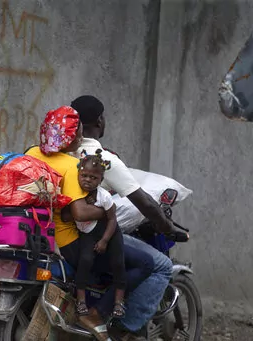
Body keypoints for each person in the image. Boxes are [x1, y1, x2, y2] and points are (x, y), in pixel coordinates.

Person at [26, 106, 155, 341]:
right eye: (78, 134)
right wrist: (108, 212)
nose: (80, 139)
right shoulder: (70, 166)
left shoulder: (31, 153)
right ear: (71, 138)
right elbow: (80, 213)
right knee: (146, 263)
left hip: (42, 234)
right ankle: (96, 313)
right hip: (72, 244)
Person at [71, 95, 186, 340]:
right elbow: (144, 202)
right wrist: (166, 227)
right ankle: (123, 329)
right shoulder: (103, 159)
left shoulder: (62, 150)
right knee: (160, 266)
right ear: (100, 121)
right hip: (88, 231)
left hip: (60, 229)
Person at [69, 150, 126, 319]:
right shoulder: (75, 192)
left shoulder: (104, 197)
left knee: (118, 263)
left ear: (101, 180)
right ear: (78, 174)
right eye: (84, 175)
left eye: (93, 178)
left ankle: (118, 303)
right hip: (88, 233)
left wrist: (105, 240)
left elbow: (112, 219)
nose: (87, 180)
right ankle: (81, 301)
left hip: (109, 232)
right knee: (85, 261)